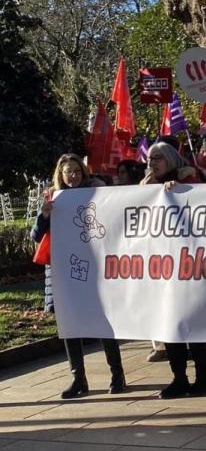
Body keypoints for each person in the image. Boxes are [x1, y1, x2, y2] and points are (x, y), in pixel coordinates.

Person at [32, 154, 125, 399]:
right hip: (63, 272)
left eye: (76, 171)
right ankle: (78, 379)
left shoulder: (96, 194)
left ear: (83, 173)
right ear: (60, 175)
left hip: (94, 271)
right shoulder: (53, 198)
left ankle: (117, 374)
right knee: (70, 325)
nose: (72, 176)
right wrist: (45, 215)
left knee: (103, 322)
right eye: (68, 172)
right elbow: (36, 235)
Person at [143, 141, 206, 398]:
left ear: (171, 159)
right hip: (161, 266)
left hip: (188, 263)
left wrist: (179, 190)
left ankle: (203, 376)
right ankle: (179, 377)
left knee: (195, 323)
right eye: (150, 159)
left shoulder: (189, 178)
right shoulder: (147, 185)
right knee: (168, 322)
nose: (153, 163)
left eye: (158, 158)